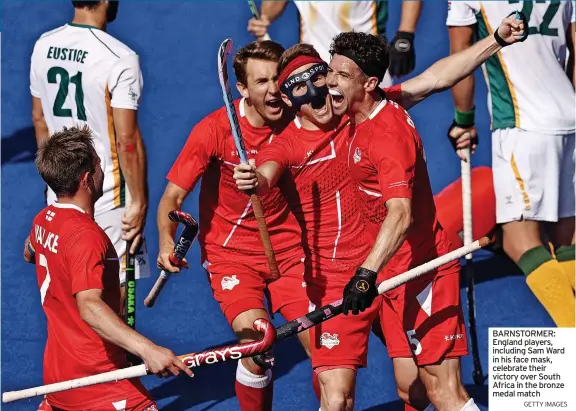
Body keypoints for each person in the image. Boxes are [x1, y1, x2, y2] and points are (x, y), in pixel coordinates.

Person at [234, 14, 527, 411]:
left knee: (441, 391)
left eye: (330, 75)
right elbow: (438, 76)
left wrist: (364, 274)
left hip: (412, 269)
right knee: (406, 392)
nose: (324, 86)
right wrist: (257, 180)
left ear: (363, 83)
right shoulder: (337, 120)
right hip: (376, 273)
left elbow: (400, 213)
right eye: (318, 78)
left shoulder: (380, 128)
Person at [156, 40, 311, 411]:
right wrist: (166, 242)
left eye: (277, 78)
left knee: (326, 351)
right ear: (241, 88)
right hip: (233, 257)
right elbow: (171, 199)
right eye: (261, 82)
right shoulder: (214, 130)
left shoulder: (302, 120)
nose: (274, 89)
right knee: (259, 346)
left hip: (293, 253)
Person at [24, 126, 192, 411]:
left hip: (58, 379)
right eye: (100, 165)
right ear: (87, 179)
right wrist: (148, 350)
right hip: (98, 382)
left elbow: (30, 251)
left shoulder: (43, 219)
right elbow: (89, 307)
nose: (104, 171)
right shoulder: (87, 236)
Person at [447, 1, 575, 327]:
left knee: (520, 242)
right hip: (569, 117)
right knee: (567, 240)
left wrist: (463, 120)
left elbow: (460, 57)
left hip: (522, 124)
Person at [29, 0, 151, 316]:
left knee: (70, 291)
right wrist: (138, 202)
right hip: (109, 195)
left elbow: (39, 118)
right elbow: (127, 141)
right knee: (116, 297)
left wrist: (53, 181)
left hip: (59, 192)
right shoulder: (120, 57)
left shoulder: (43, 45)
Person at [247, 0, 423, 86]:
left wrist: (405, 35)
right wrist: (264, 20)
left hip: (366, 72)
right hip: (315, 77)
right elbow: (269, 10)